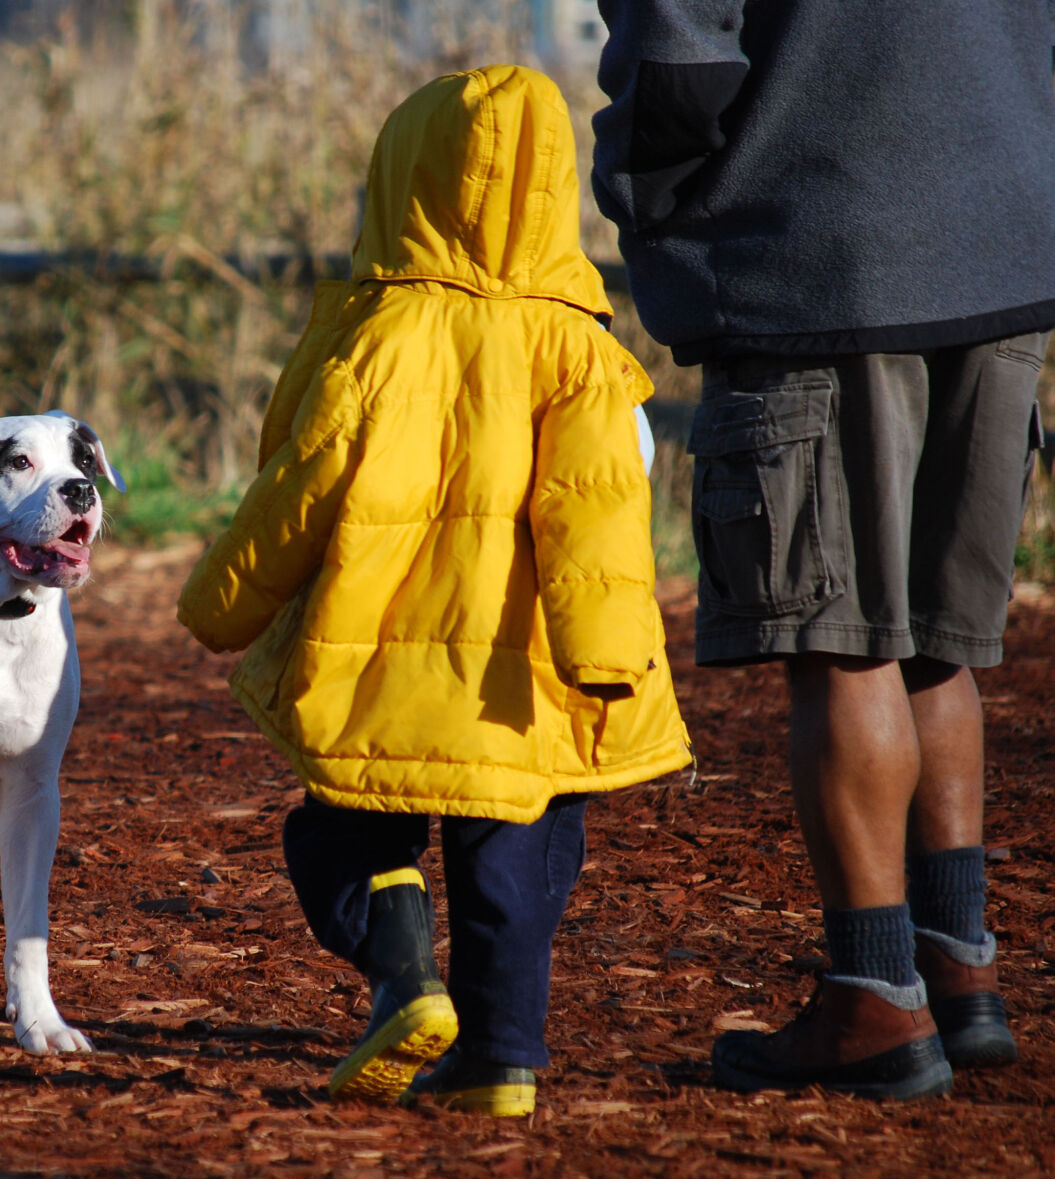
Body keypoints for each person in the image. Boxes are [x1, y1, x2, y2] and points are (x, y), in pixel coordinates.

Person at [177, 65, 692, 1115]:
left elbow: (298, 486)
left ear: (401, 183)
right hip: (528, 690)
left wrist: (222, 603)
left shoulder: (377, 338)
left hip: (376, 658)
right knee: (515, 866)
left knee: (341, 826)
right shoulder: (581, 352)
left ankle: (403, 967)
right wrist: (605, 659)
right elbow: (596, 515)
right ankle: (500, 1061)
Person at [592, 2, 1055, 1100]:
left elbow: (675, 47)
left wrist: (660, 211)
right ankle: (958, 969)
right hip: (1006, 233)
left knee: (839, 638)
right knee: (935, 638)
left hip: (815, 244)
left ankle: (870, 997)